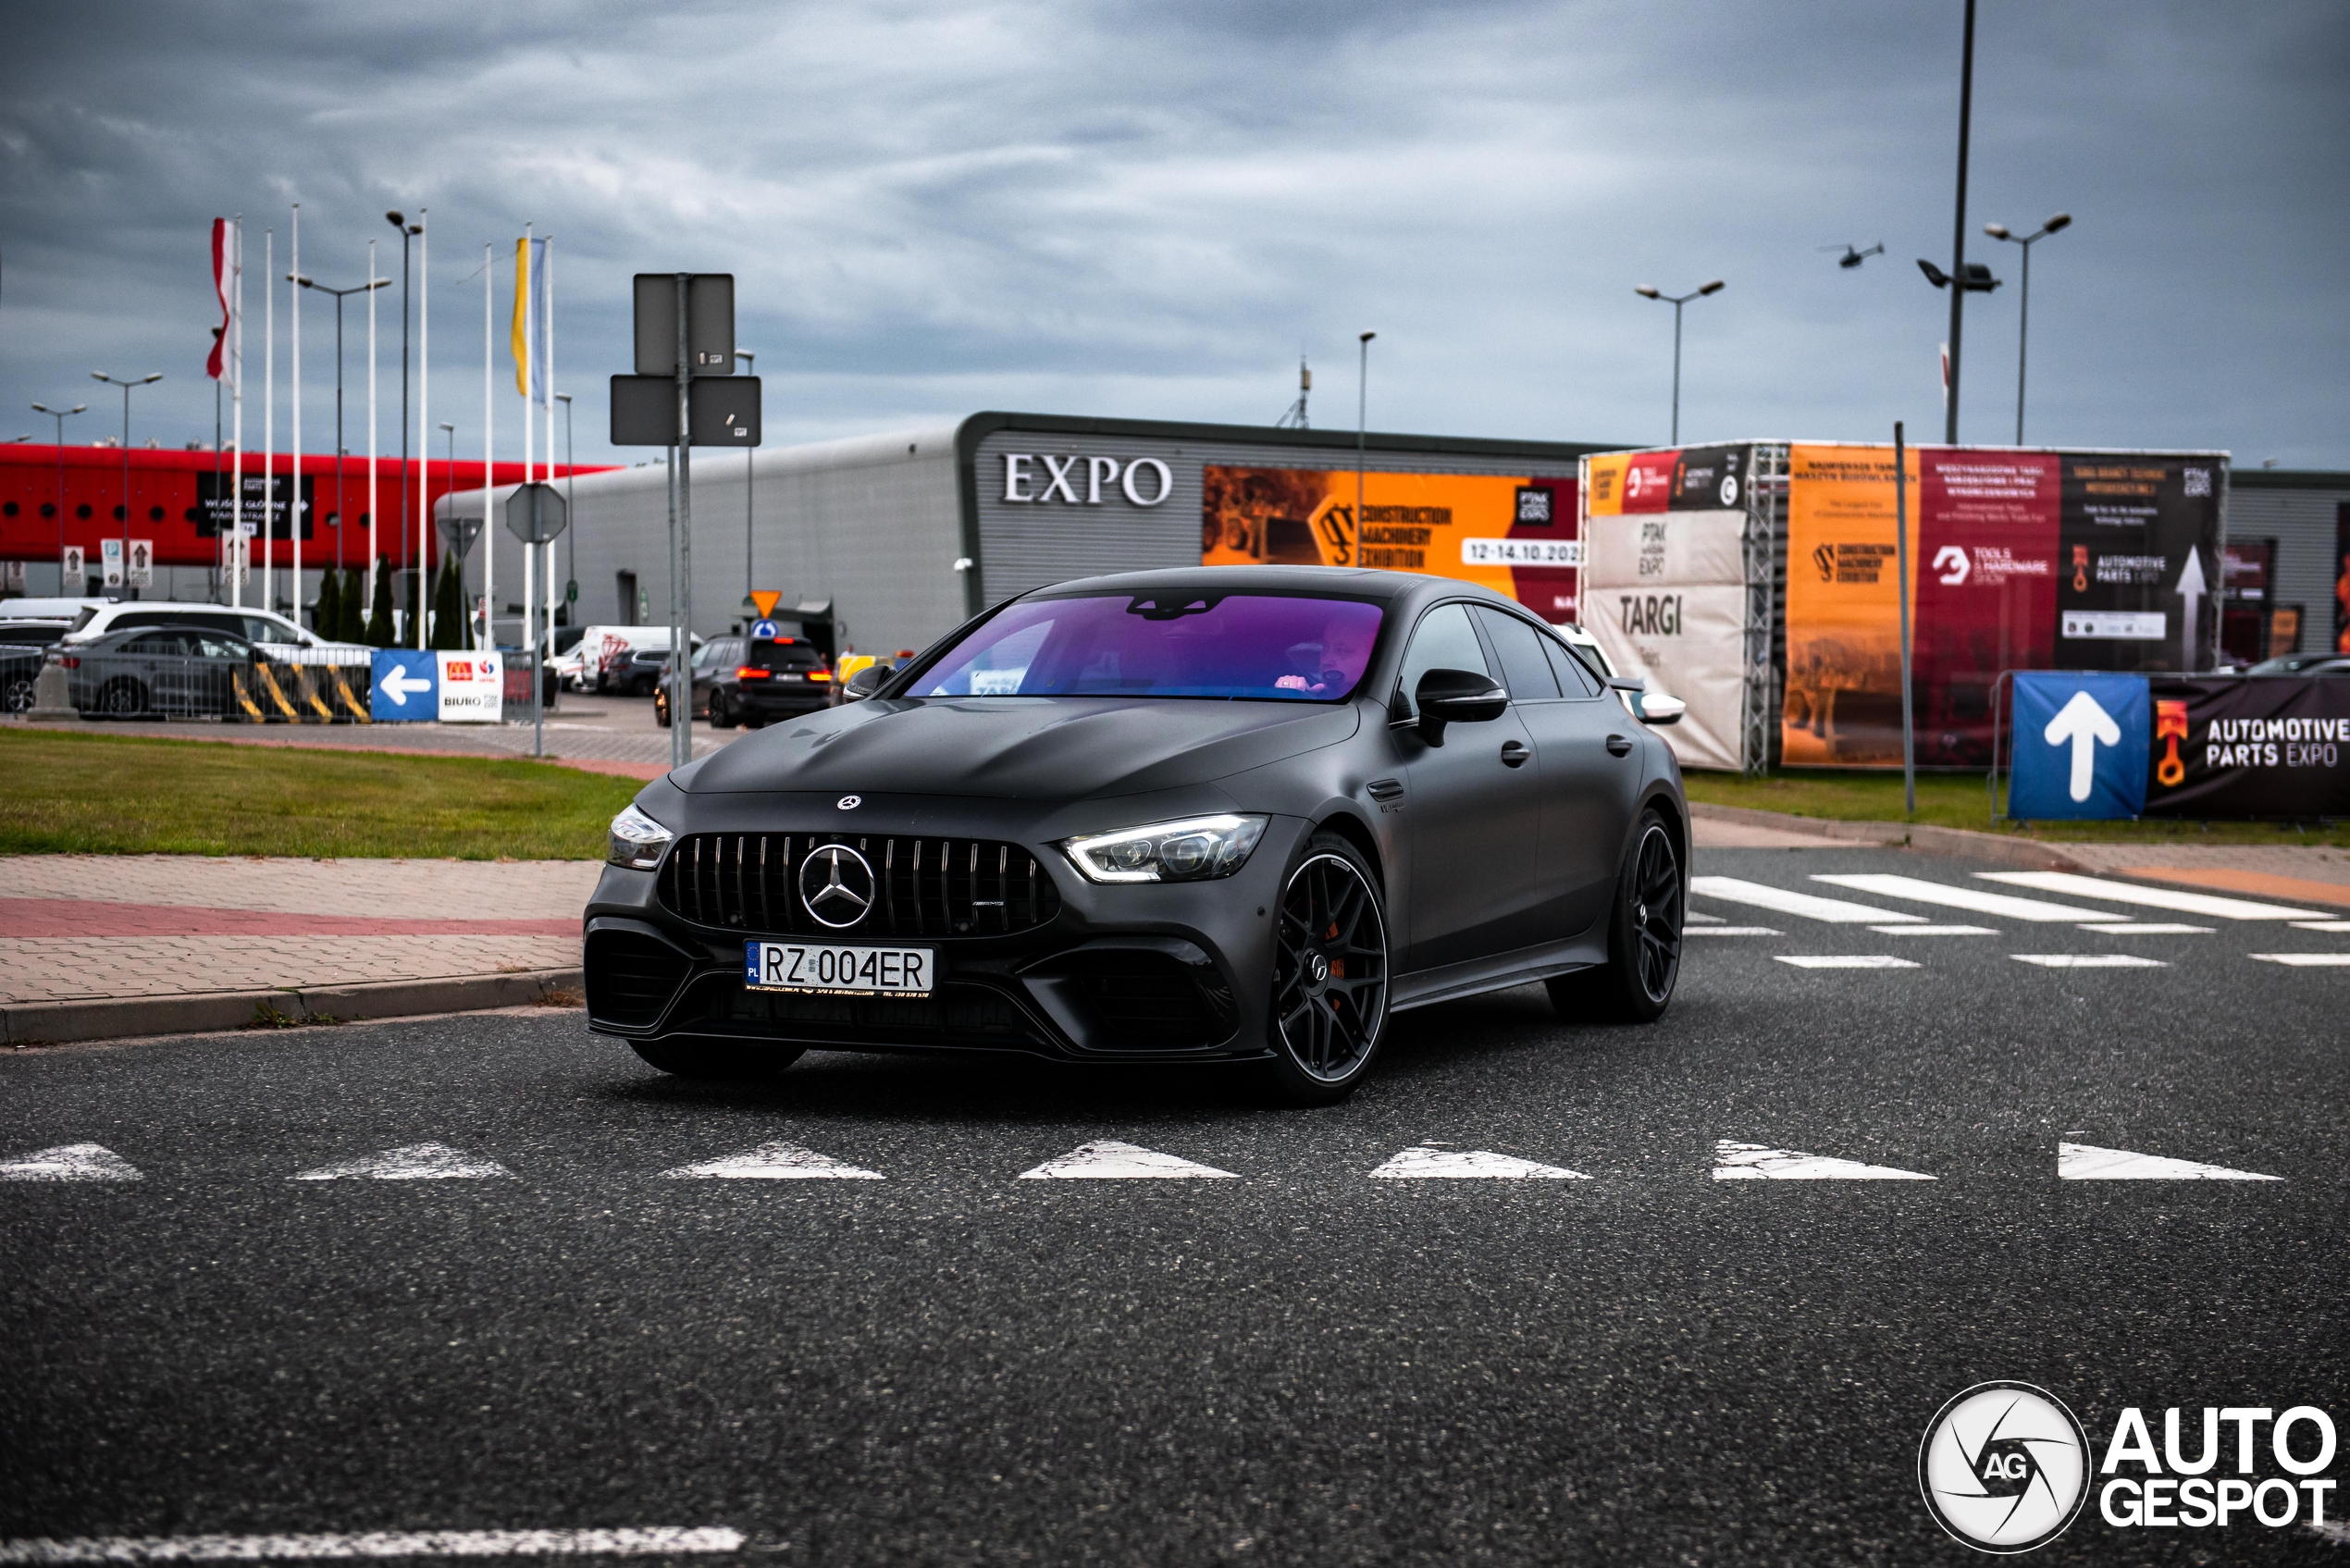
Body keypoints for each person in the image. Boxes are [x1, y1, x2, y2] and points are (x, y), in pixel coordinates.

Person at [1274, 613, 1375, 697]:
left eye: (1342, 650)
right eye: (1325, 648)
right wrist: (1291, 695)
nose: (1325, 661)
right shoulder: (1312, 695)